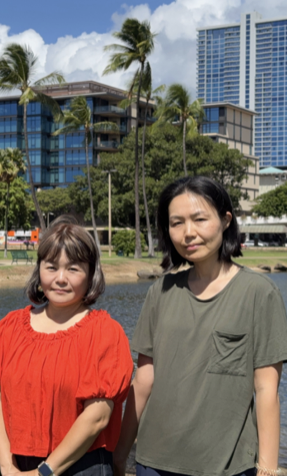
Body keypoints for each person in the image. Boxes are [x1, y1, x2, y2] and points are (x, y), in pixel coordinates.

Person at [113, 176, 287, 476]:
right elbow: (143, 381)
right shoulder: (161, 291)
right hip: (154, 462)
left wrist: (268, 469)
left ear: (225, 220)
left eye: (200, 219)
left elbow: (266, 389)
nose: (188, 233)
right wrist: (120, 453)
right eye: (176, 223)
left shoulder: (259, 293)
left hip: (227, 466)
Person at [0, 221, 133, 476]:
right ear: (39, 269)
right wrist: (6, 466)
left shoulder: (105, 333)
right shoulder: (10, 328)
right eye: (51, 267)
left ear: (90, 274)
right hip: (16, 466)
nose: (60, 279)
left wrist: (44, 472)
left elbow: (97, 416)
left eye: (73, 269)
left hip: (82, 465)